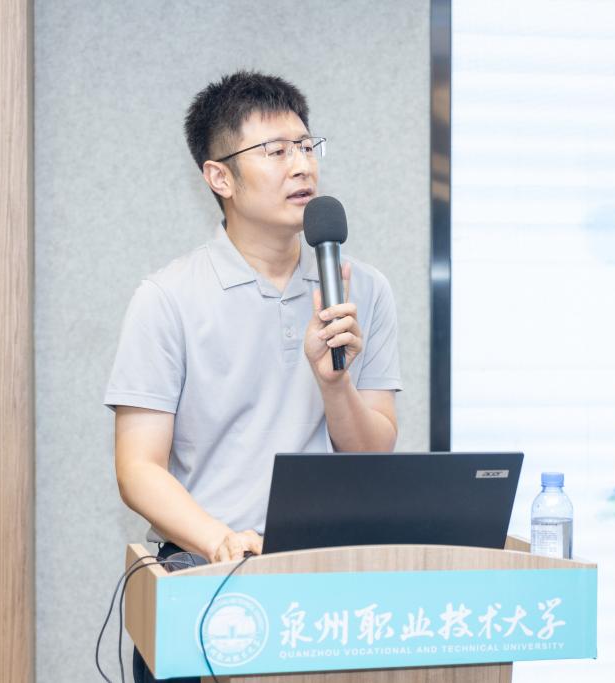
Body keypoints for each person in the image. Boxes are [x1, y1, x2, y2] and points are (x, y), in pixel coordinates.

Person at [105, 71, 402, 683]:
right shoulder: (167, 297)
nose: (303, 165)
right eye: (276, 151)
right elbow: (137, 468)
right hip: (209, 577)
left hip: (325, 585)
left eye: (307, 146)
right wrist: (219, 540)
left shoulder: (361, 289)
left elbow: (373, 454)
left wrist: (335, 384)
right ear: (220, 178)